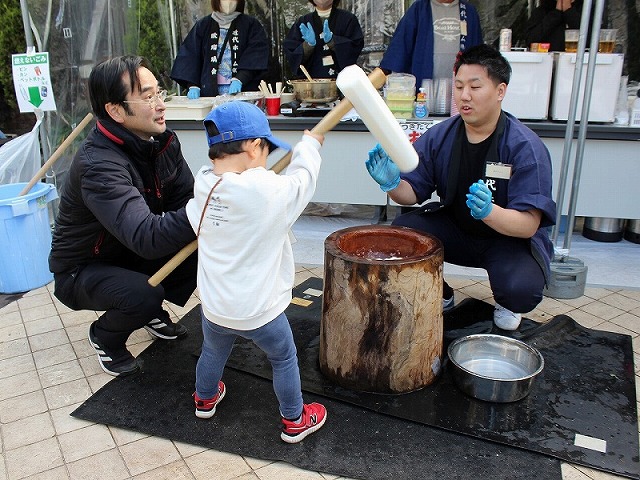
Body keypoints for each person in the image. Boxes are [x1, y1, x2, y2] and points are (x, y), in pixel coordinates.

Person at [365, 44, 556, 331]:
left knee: (521, 288)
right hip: (456, 230)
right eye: (458, 86)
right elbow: (413, 193)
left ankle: (508, 300)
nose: (464, 96)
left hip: (506, 239)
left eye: (475, 87)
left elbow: (529, 224)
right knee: (400, 232)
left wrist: (490, 212)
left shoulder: (525, 147)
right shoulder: (440, 136)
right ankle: (440, 292)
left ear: (500, 91)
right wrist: (391, 183)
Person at [185, 101, 327, 443]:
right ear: (252, 147)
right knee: (283, 357)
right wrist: (310, 145)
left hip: (216, 307)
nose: (265, 158)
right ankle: (295, 419)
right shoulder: (268, 191)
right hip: (260, 312)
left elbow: (194, 213)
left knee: (213, 351)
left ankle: (204, 399)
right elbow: (303, 179)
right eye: (265, 149)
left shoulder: (204, 185)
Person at [49, 55, 197, 376]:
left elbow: (187, 199)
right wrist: (206, 211)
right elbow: (147, 236)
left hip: (127, 249)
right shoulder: (98, 164)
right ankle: (106, 335)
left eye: (160, 93)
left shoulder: (162, 143)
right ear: (115, 110)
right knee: (143, 292)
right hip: (83, 269)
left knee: (200, 246)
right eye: (147, 97)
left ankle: (149, 310)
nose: (160, 105)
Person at [170, 0, 269, 97]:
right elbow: (190, 55)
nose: (228, 2)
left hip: (242, 93)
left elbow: (255, 54)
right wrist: (192, 85)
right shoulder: (203, 25)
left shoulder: (251, 25)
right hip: (209, 94)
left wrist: (240, 78)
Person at [380, 0, 483, 87]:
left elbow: (478, 54)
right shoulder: (419, 9)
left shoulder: (469, 12)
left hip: (462, 92)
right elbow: (400, 48)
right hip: (425, 90)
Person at [283, 0, 364, 79]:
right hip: (312, 84)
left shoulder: (348, 19)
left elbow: (355, 48)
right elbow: (292, 55)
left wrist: (333, 41)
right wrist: (308, 45)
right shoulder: (303, 22)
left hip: (343, 83)